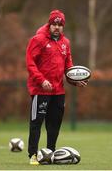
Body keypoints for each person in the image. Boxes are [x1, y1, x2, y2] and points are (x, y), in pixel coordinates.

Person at [26, 9, 88, 165]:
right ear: (49, 24)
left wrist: (74, 80)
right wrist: (41, 80)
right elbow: (30, 63)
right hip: (40, 90)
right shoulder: (38, 40)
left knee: (54, 125)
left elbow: (69, 67)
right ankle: (33, 155)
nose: (57, 27)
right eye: (54, 23)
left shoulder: (65, 43)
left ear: (63, 27)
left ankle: (51, 153)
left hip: (58, 91)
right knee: (36, 123)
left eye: (60, 24)